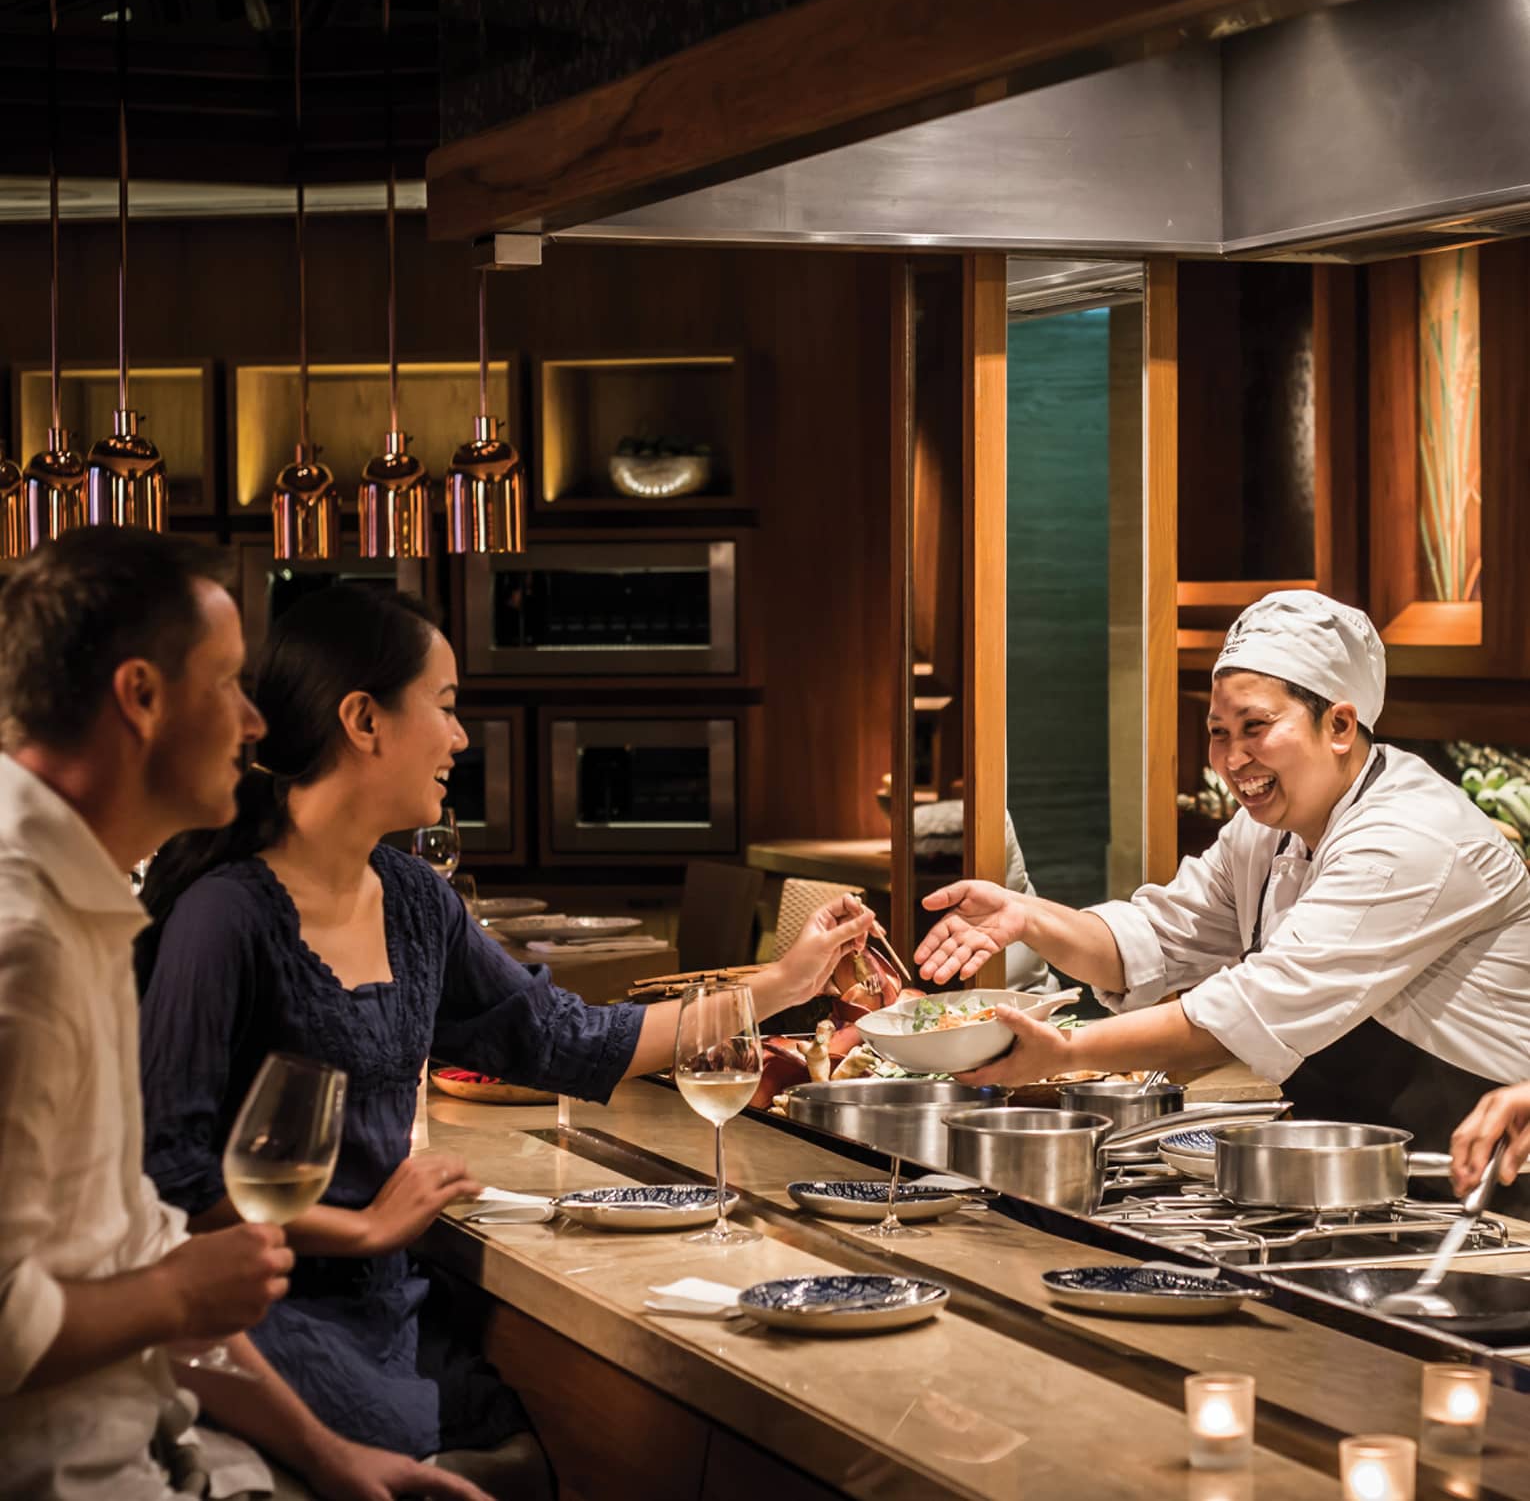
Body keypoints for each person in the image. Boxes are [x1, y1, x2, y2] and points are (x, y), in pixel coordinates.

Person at [136, 584, 872, 1497]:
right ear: (364, 719)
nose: (460, 739)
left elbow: (568, 1040)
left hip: (389, 1309)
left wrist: (780, 984)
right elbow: (173, 1185)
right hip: (265, 1314)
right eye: (444, 708)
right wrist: (363, 1228)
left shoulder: (413, 901)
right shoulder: (226, 917)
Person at [0, 527, 490, 1501]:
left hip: (160, 1448)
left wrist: (332, 1458)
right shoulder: (27, 949)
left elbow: (137, 1264)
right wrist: (182, 1286)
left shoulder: (88, 905)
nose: (257, 722)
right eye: (226, 684)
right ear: (140, 698)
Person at [914, 590, 1530, 1212]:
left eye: (1255, 728)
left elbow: (1253, 1007)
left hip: (1484, 1186)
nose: (1233, 760)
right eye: (1218, 732)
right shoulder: (1267, 828)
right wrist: (1029, 919)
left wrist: (1067, 1054)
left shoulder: (1409, 840)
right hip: (1354, 1174)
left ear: (1340, 726)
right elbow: (1156, 939)